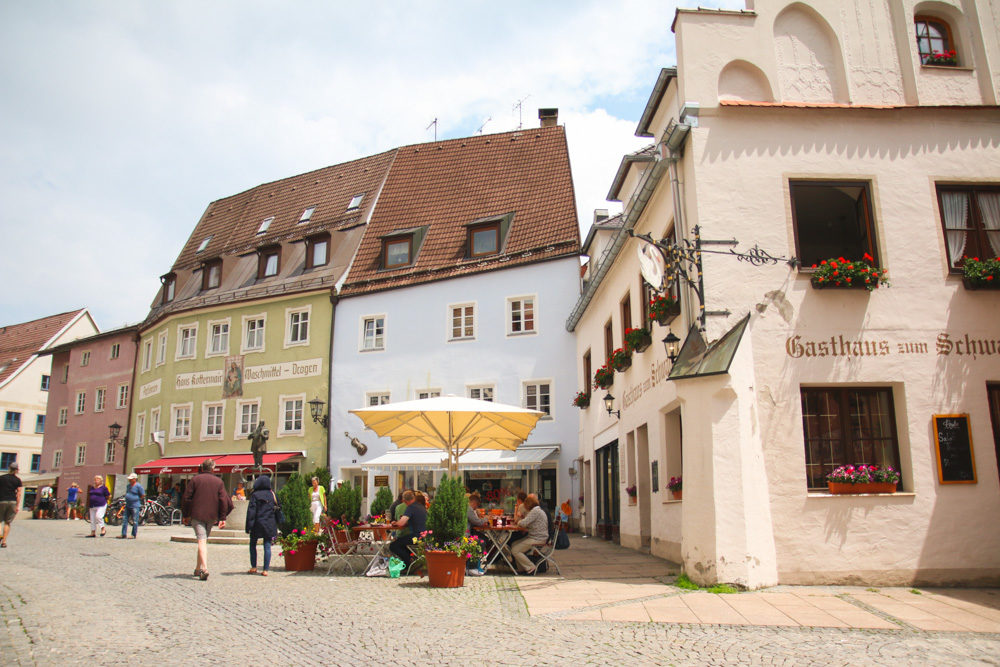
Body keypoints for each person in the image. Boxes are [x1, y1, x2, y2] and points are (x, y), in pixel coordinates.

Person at [181, 459, 234, 581]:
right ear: (213, 468)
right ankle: (201, 568)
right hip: (211, 516)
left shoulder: (195, 480)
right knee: (203, 541)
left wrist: (186, 514)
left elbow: (186, 498)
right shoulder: (218, 482)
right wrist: (222, 517)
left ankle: (201, 568)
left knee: (202, 541)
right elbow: (223, 500)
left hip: (197, 514)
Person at [245, 474, 278, 576]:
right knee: (267, 546)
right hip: (269, 523)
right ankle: (265, 570)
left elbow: (251, 512)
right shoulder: (272, 494)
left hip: (257, 524)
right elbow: (278, 507)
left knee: (252, 544)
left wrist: (248, 526)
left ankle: (254, 567)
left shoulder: (255, 495)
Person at [511, 494, 548, 575]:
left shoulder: (535, 511)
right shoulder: (537, 510)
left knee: (515, 550)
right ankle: (522, 568)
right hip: (537, 536)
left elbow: (523, 523)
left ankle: (531, 567)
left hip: (538, 538)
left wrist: (519, 521)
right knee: (514, 544)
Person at [388, 490, 427, 569]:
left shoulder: (411, 507)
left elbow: (402, 523)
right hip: (425, 535)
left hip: (417, 536)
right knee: (402, 543)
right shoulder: (421, 506)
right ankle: (412, 559)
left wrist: (395, 523)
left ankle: (408, 562)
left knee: (393, 545)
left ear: (404, 501)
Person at [0, 461, 23, 547]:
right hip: (12, 501)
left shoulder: (1, 478)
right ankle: (4, 542)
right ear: (17, 470)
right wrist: (17, 506)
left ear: (9, 468)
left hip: (1, 500)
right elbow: (19, 494)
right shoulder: (18, 480)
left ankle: (0, 535)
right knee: (7, 522)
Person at [119, 473, 145, 539]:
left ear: (134, 479)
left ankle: (133, 534)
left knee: (135, 521)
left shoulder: (138, 486)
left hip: (135, 505)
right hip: (128, 504)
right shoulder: (128, 486)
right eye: (129, 479)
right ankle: (123, 534)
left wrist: (137, 499)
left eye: (131, 479)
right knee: (125, 519)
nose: (129, 480)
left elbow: (143, 495)